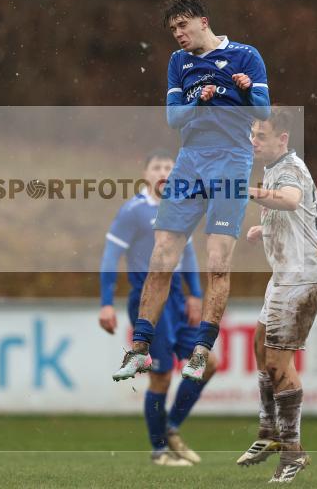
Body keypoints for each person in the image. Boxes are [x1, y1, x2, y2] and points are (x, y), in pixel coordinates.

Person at [113, 0, 270, 384]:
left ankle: (201, 351)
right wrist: (198, 101)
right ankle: (140, 348)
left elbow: (264, 111)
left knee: (218, 260)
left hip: (232, 161)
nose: (178, 34)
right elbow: (173, 118)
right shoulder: (178, 63)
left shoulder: (246, 55)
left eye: (183, 25)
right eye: (173, 30)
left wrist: (247, 88)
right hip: (190, 161)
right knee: (161, 255)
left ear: (203, 21)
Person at [233, 108, 317, 483]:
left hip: (301, 276)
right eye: (253, 134)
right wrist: (266, 228)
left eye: (261, 135)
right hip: (285, 274)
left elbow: (290, 200)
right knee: (260, 346)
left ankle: (292, 452)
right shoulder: (276, 166)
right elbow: (294, 212)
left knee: (277, 363)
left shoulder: (289, 169)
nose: (254, 141)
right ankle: (268, 432)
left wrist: (249, 192)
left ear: (283, 139)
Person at [100, 150, 217, 466]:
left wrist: (195, 295)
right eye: (158, 167)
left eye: (170, 167)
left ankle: (171, 428)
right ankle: (159, 450)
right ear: (145, 174)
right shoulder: (133, 211)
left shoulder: (179, 208)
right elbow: (111, 256)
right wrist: (106, 303)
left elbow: (189, 253)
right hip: (149, 302)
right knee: (161, 377)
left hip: (177, 298)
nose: (164, 171)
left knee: (208, 364)